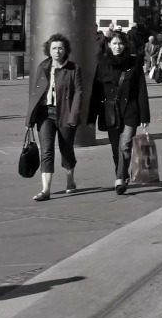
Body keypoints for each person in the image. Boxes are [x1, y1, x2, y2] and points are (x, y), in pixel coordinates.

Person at [90, 32, 152, 194]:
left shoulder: (134, 62)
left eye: (120, 44)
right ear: (108, 44)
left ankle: (119, 179)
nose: (117, 47)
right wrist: (91, 116)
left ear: (125, 45)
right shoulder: (102, 63)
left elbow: (141, 91)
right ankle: (123, 175)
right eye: (114, 43)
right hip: (110, 112)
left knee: (125, 145)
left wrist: (145, 116)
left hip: (130, 111)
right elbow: (96, 92)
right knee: (115, 148)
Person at [27, 33, 83, 200]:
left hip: (65, 113)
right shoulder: (43, 67)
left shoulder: (74, 68)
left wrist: (74, 115)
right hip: (45, 113)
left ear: (65, 50)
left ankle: (70, 180)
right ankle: (45, 190)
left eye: (60, 48)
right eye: (53, 48)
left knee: (66, 150)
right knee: (46, 151)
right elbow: (36, 93)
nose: (57, 51)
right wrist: (30, 117)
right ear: (48, 50)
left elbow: (79, 92)